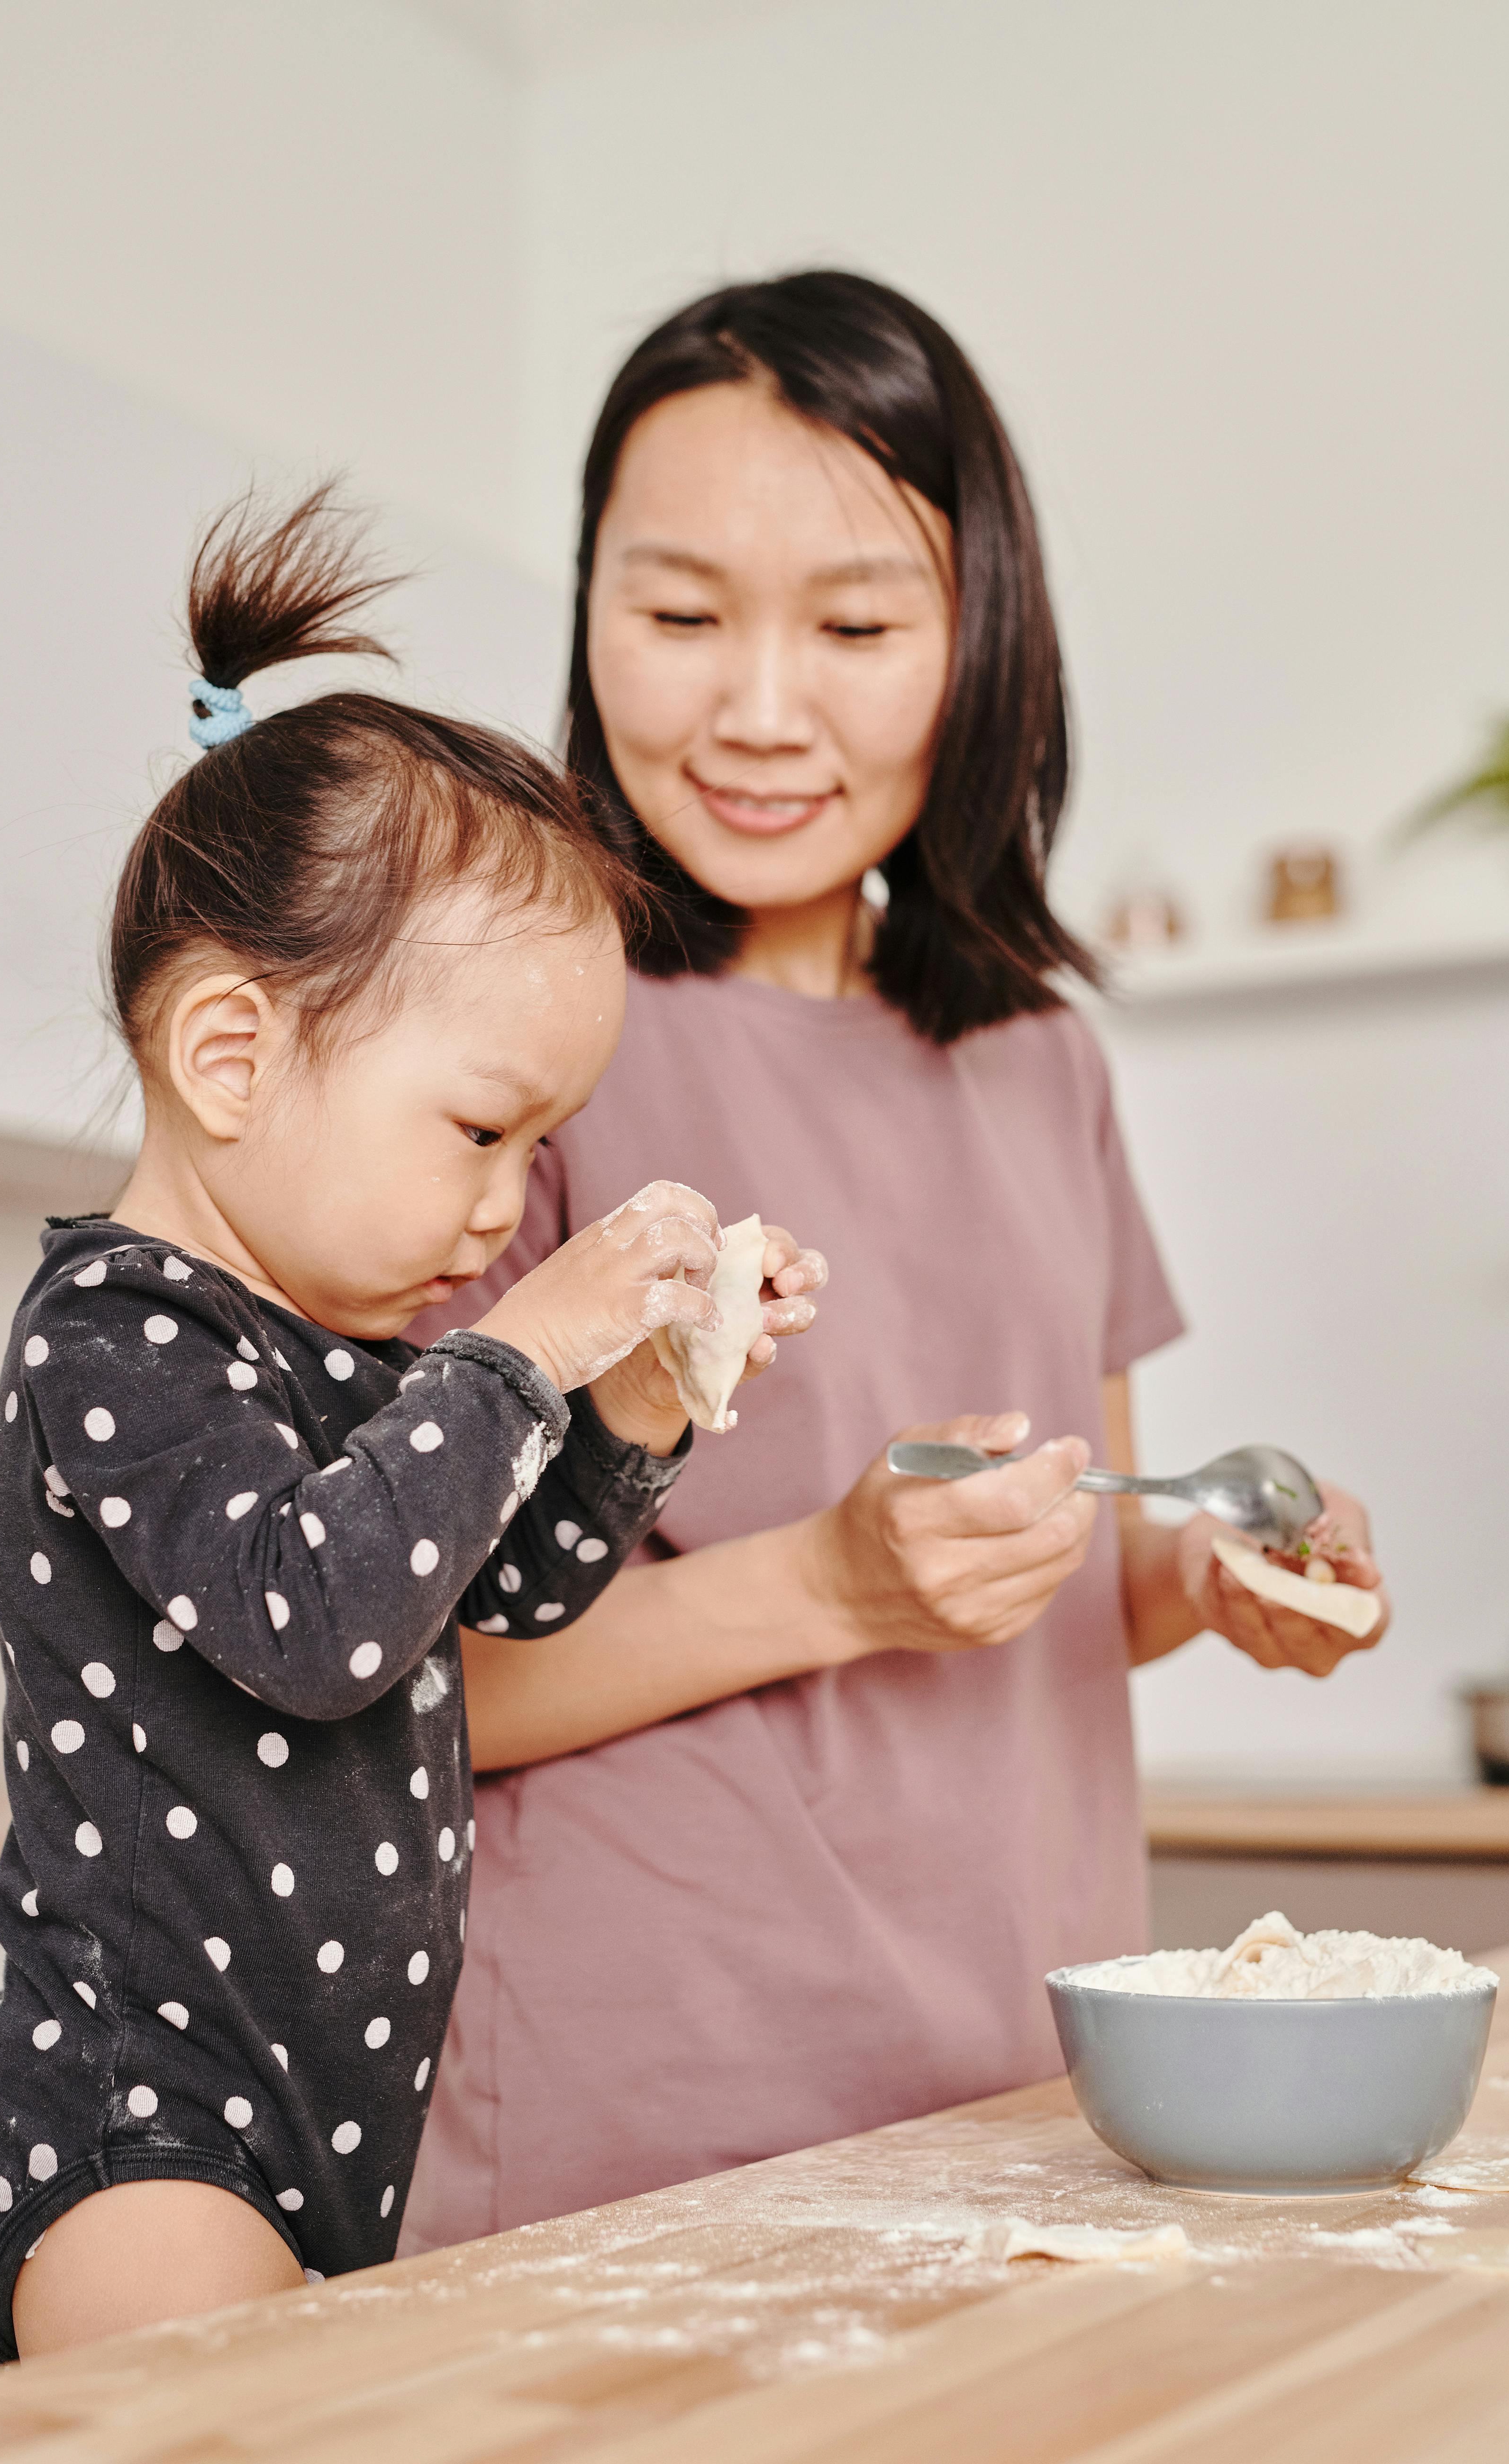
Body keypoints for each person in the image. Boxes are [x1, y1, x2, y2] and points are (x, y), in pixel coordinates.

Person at [401, 272, 1389, 2252]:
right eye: (679, 614)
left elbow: (1074, 1573)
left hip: (1030, 2095)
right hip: (636, 2127)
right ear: (589, 612)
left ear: (980, 639)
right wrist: (832, 1584)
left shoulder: (1042, 1060)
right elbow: (405, 1674)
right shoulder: (494, 1029)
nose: (761, 707)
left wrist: (1215, 1567)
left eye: (855, 625)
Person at [0, 487, 822, 2372]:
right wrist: (524, 1348)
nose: (510, 1206)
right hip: (137, 2135)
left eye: (543, 1148)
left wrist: (644, 1388)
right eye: (482, 1131)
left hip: (332, 2131)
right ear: (233, 1056)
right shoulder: (118, 1342)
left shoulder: (350, 1348)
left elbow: (521, 1590)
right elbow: (317, 1619)